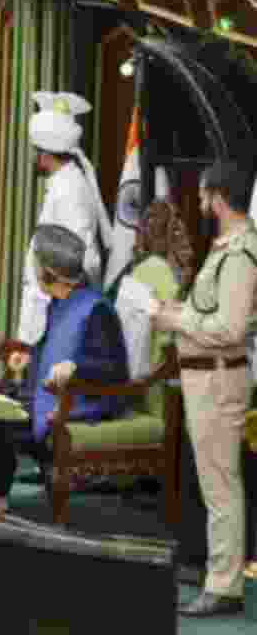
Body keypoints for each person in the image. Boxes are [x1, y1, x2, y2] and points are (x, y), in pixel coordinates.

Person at [150, 161, 255, 617]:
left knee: (220, 486)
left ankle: (224, 584)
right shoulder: (228, 247)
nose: (198, 199)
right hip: (206, 376)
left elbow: (230, 327)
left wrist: (176, 318)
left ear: (217, 196)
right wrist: (184, 311)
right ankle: (220, 573)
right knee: (215, 483)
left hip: (217, 377)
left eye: (203, 192)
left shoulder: (240, 253)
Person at [0, 225, 130, 516]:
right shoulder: (60, 300)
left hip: (84, 399)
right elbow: (52, 346)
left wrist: (75, 367)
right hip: (53, 391)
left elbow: (114, 370)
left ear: (49, 274)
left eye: (36, 265)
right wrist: (26, 356)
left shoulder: (96, 309)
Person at [17, 92, 114, 347]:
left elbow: (83, 258)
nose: (34, 158)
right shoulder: (63, 183)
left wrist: (57, 302)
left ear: (45, 156)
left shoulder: (71, 190)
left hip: (57, 311)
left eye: (35, 152)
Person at [108, 198, 192, 383]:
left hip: (128, 375)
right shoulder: (165, 274)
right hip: (156, 383)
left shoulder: (137, 270)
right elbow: (170, 345)